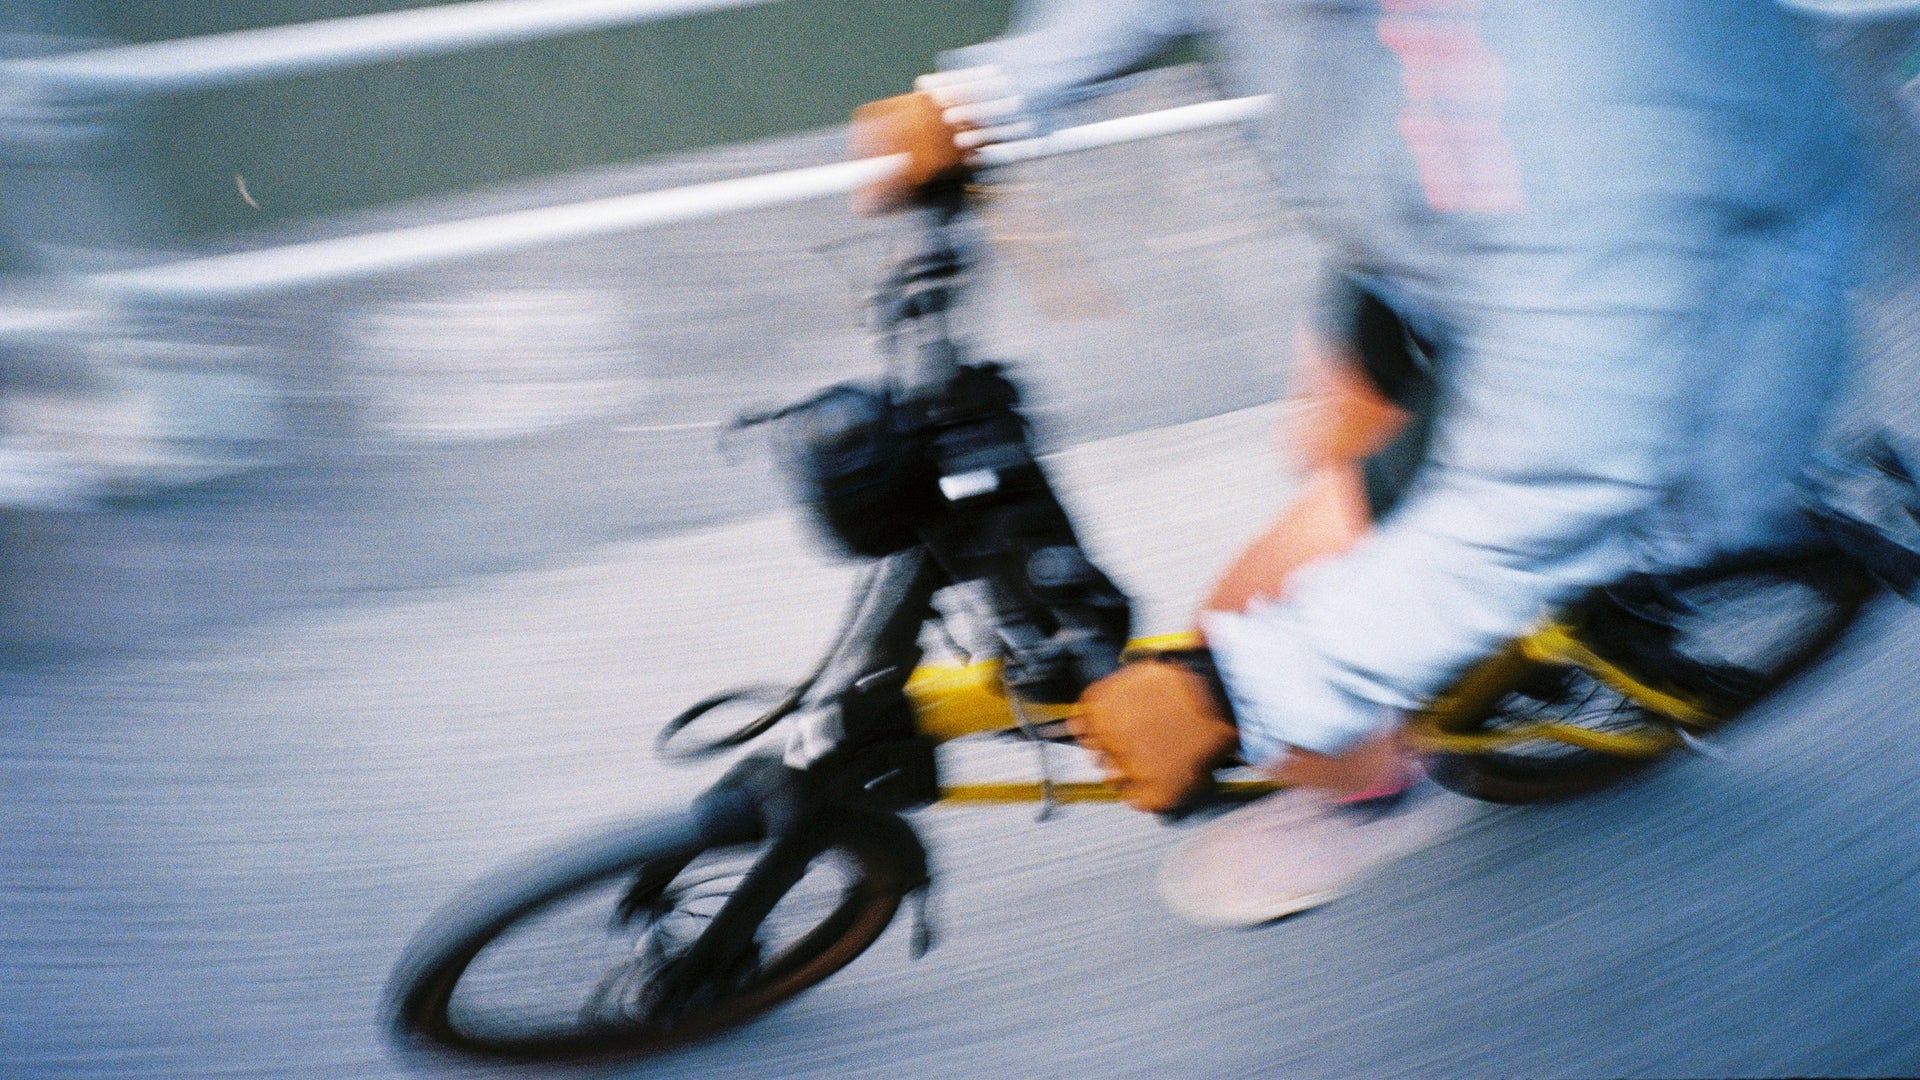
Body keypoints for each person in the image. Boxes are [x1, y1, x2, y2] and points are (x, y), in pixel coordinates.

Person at [853, 0, 1866, 926]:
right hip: (1438, 247)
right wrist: (989, 99)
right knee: (1328, 447)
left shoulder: (1581, 92)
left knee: (1250, 613)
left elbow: (1557, 476)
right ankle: (1393, 628)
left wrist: (1240, 691)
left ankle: (1369, 793)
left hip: (1650, 342)